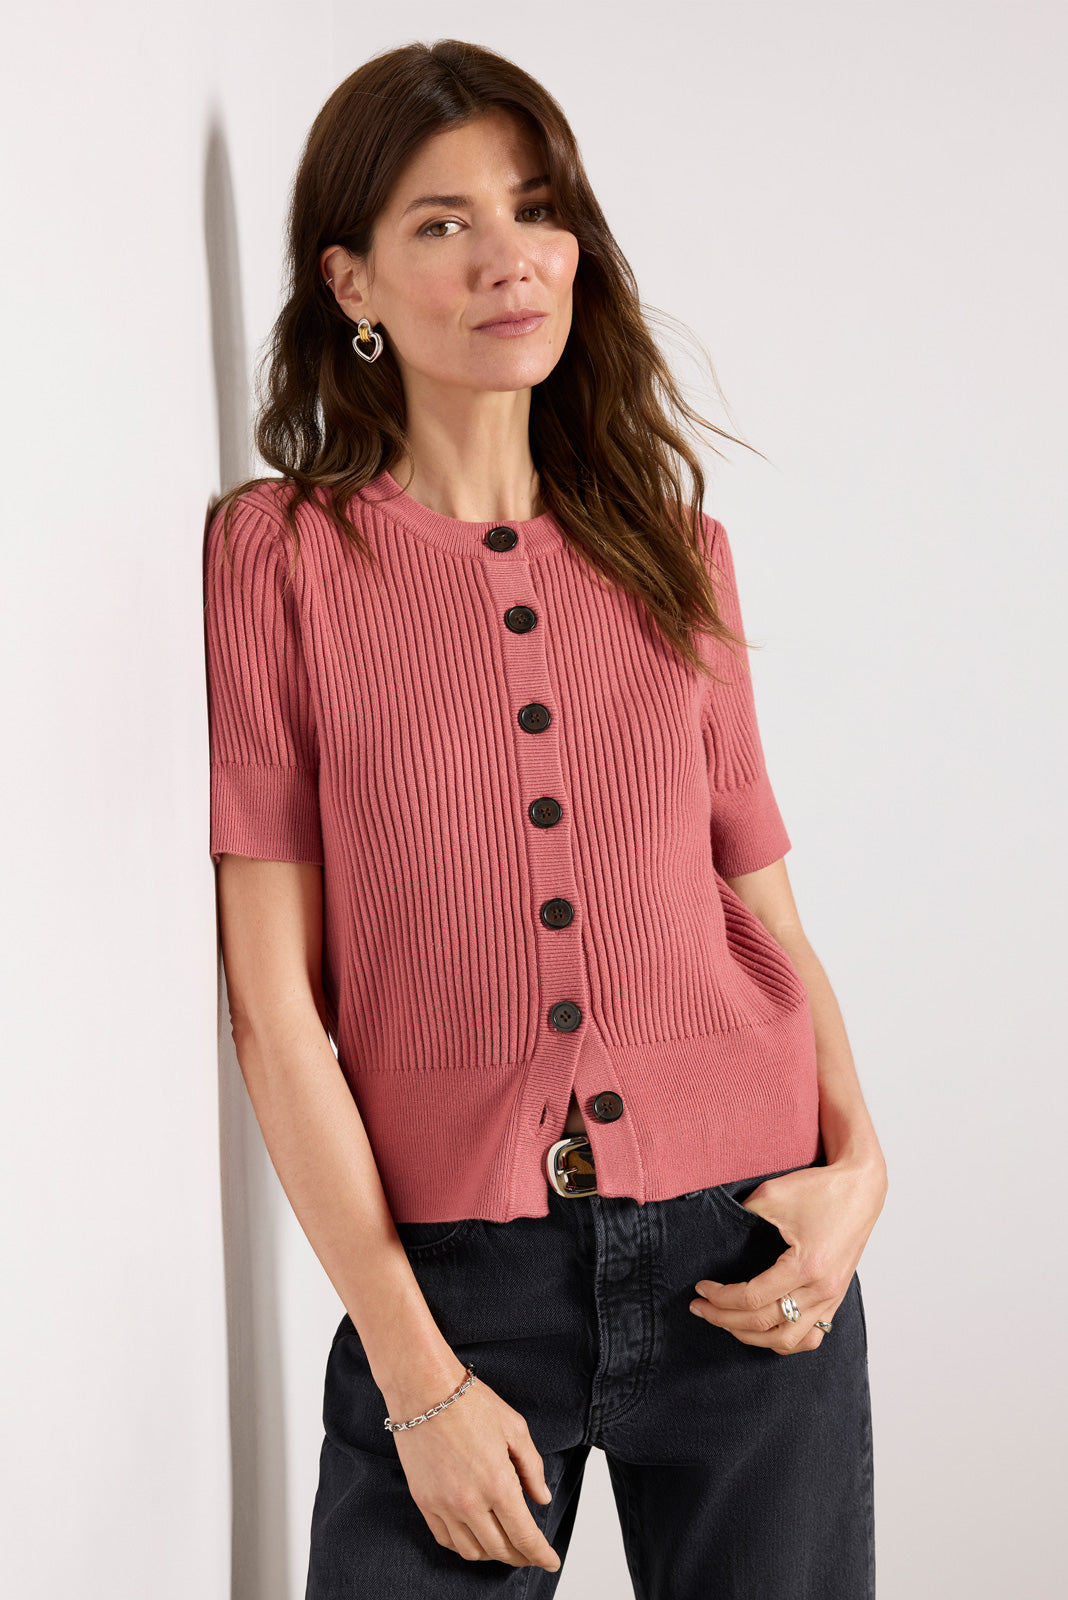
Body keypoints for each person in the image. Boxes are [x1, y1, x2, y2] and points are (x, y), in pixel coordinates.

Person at [202, 37, 888, 1600]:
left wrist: (863, 1165)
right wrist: (415, 1375)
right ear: (352, 284)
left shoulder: (676, 549)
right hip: (459, 1287)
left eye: (535, 209)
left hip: (752, 1243)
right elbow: (273, 1009)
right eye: (443, 222)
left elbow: (763, 907)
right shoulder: (280, 560)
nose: (508, 256)